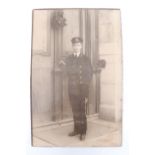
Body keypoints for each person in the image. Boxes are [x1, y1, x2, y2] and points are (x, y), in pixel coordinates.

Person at [59, 37, 93, 140]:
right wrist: (62, 66)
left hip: (82, 90)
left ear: (81, 46)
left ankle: (83, 131)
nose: (76, 47)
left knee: (82, 111)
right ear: (72, 46)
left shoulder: (86, 59)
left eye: (78, 45)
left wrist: (86, 93)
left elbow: (88, 76)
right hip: (72, 89)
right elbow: (65, 73)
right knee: (75, 111)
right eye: (74, 45)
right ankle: (76, 129)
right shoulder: (69, 59)